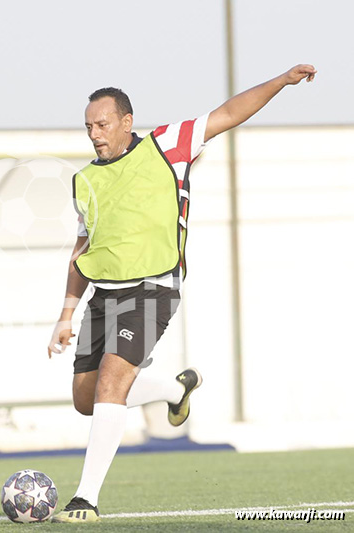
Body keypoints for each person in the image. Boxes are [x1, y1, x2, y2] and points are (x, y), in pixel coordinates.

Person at [48, 64, 317, 523]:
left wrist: (280, 81)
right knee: (84, 398)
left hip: (153, 288)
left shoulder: (167, 145)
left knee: (112, 384)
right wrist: (66, 313)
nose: (94, 133)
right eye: (89, 126)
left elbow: (229, 112)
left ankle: (85, 500)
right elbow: (82, 249)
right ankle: (174, 389)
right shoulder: (85, 181)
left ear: (127, 122)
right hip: (103, 296)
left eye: (102, 124)